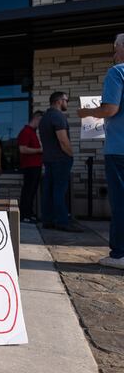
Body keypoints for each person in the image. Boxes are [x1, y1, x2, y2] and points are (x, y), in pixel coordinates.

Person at [77, 33, 124, 268]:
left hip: (120, 149)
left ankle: (119, 255)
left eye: (114, 49)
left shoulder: (117, 72)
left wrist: (86, 113)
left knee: (120, 202)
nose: (113, 54)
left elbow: (111, 109)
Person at [39, 92, 82, 233]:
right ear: (59, 101)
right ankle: (62, 222)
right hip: (60, 159)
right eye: (66, 100)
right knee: (59, 191)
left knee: (49, 191)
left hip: (49, 159)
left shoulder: (44, 118)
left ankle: (48, 221)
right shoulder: (58, 116)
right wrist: (71, 155)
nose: (67, 103)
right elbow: (63, 141)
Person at [17, 111, 44, 223]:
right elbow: (22, 149)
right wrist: (40, 150)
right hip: (30, 167)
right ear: (36, 118)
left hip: (36, 166)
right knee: (28, 191)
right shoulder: (26, 131)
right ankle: (24, 215)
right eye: (41, 121)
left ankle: (29, 213)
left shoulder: (32, 132)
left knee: (32, 191)